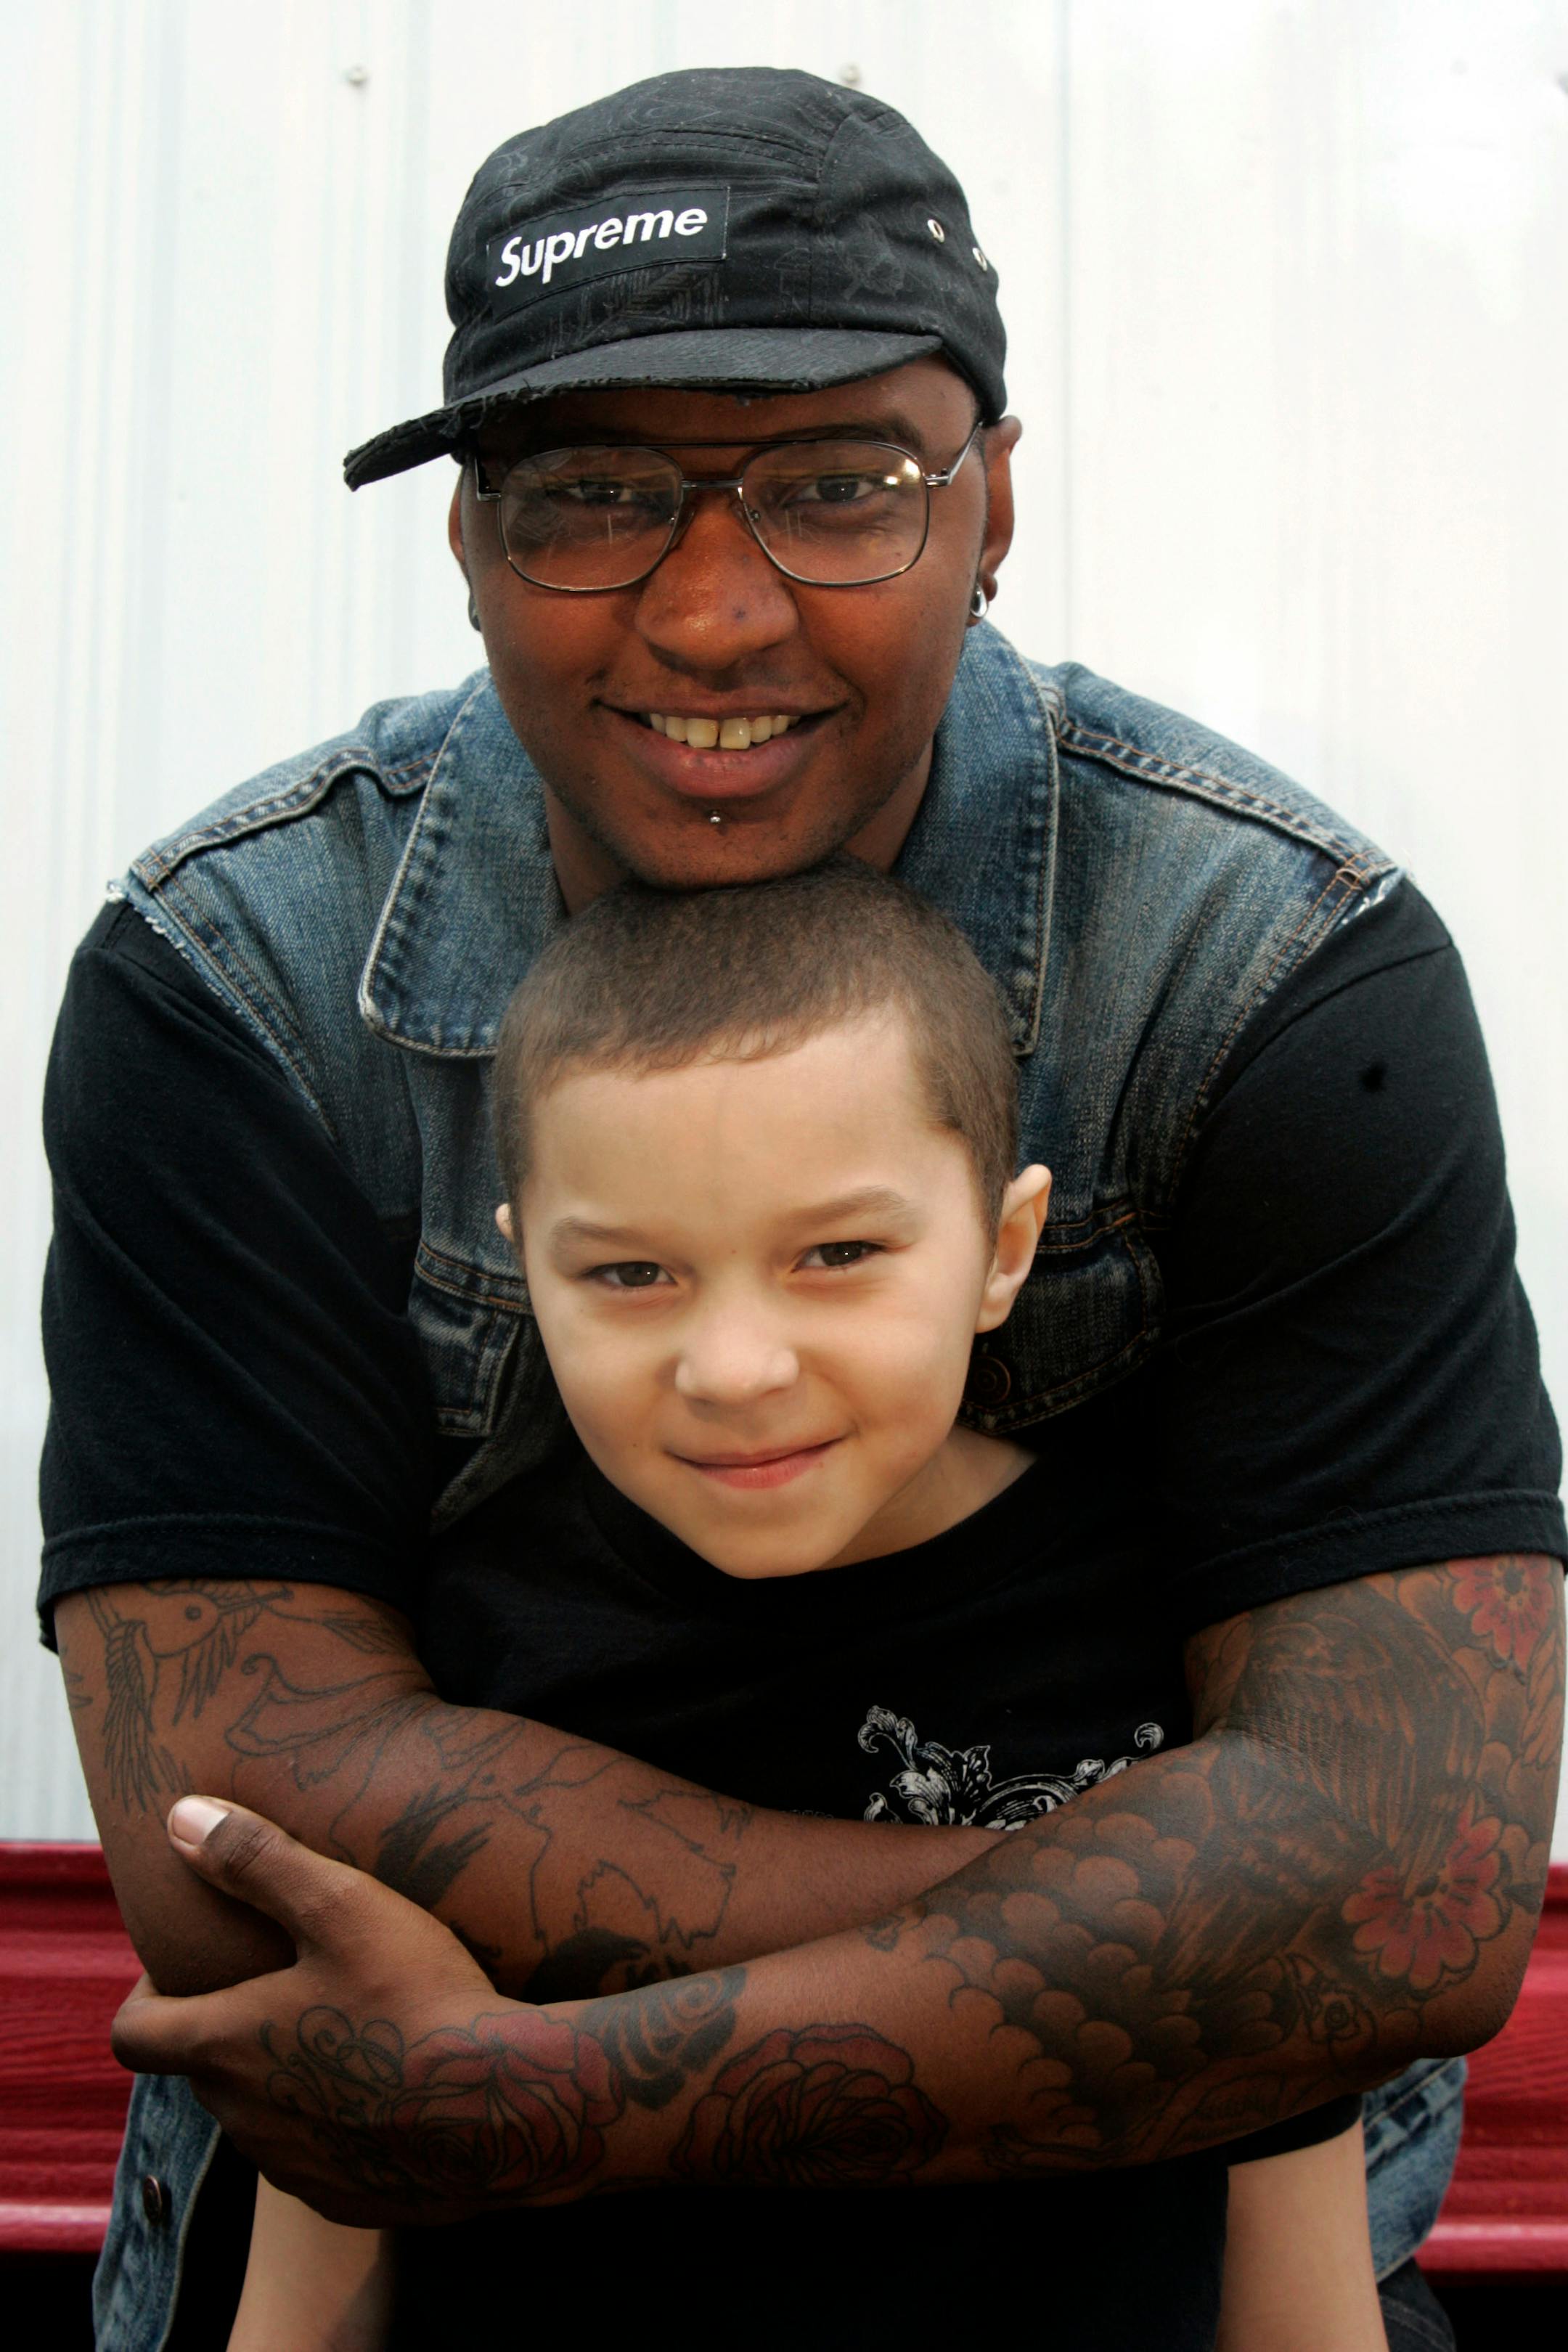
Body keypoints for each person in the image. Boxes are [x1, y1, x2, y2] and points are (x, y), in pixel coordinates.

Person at [38, 66, 1561, 2352]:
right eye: (591, 496)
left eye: (843, 485)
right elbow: (237, 1829)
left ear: (994, 505)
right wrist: (1165, 1921)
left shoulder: (1266, 976)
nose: (715, 612)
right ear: (467, 544)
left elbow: (1399, 1892)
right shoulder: (238, 983)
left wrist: (545, 2094)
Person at [229, 861, 1387, 2351]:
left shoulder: (1179, 1637)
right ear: (526, 1270)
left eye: (837, 1255)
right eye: (630, 1272)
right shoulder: (441, 1655)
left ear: (1006, 1250)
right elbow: (323, 2257)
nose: (735, 1368)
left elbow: (1299, 2276)